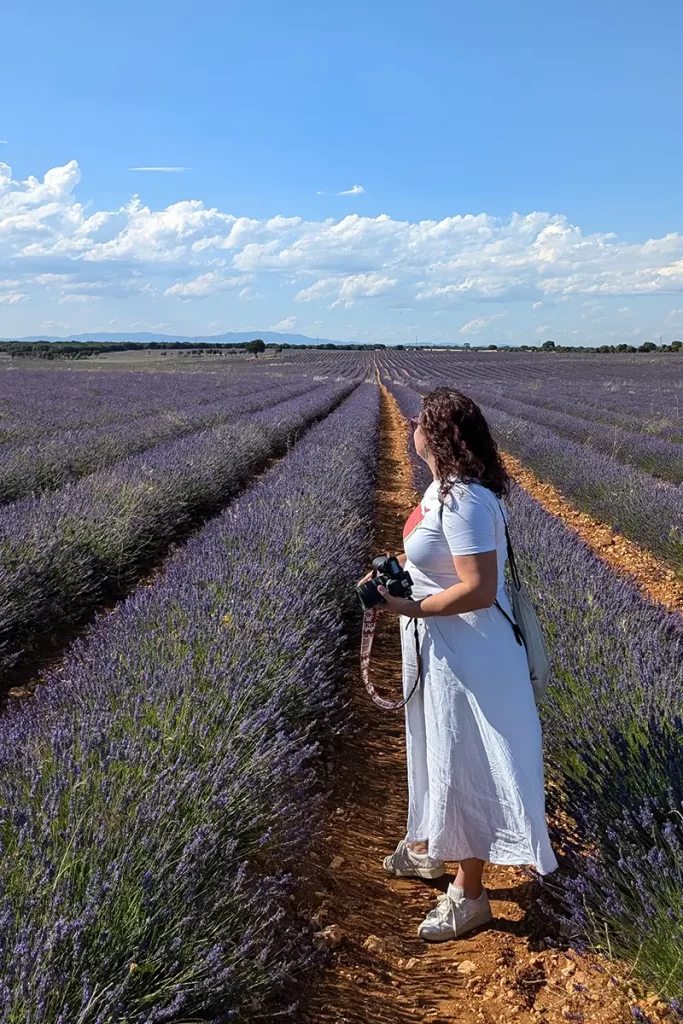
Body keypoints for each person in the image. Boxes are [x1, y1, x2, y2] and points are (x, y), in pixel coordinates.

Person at [358, 387, 557, 942]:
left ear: (438, 435)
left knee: (464, 759)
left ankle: (470, 897)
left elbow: (478, 587)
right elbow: (427, 553)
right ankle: (428, 846)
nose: (411, 426)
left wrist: (409, 606)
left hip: (471, 654)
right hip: (444, 649)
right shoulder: (441, 492)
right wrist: (387, 574)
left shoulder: (466, 499)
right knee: (434, 749)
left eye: (419, 420)